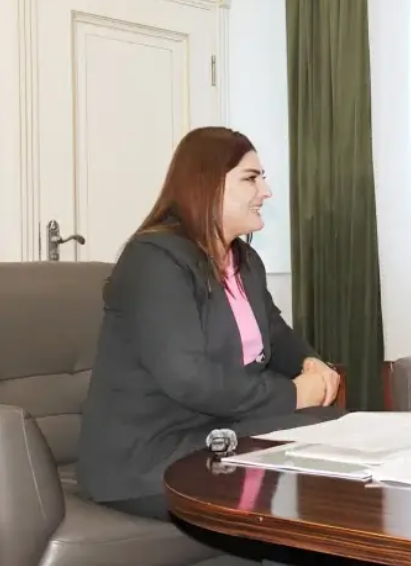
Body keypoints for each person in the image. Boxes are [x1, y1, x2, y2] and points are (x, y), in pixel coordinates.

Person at [77, 126, 344, 525]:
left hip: (217, 431)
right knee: (318, 435)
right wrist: (291, 395)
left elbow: (274, 333)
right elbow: (190, 378)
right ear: (208, 184)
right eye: (251, 178)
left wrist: (311, 363)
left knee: (333, 426)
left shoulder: (244, 263)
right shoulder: (154, 260)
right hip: (148, 457)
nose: (266, 191)